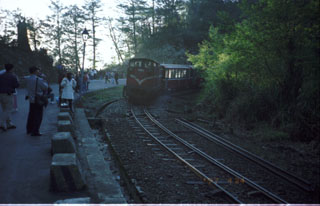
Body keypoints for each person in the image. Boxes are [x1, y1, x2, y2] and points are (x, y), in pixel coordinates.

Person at [26, 66, 48, 136]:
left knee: (31, 115)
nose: (39, 72)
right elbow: (45, 87)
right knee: (38, 115)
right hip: (38, 99)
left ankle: (29, 129)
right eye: (38, 71)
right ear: (35, 71)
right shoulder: (39, 79)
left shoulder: (28, 78)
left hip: (31, 98)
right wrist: (44, 79)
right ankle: (35, 131)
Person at [0, 63, 20, 131]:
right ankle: (1, 123)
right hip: (8, 94)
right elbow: (16, 85)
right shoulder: (12, 76)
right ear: (12, 69)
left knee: (5, 109)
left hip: (1, 94)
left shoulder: (1, 75)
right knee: (8, 109)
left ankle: (9, 124)